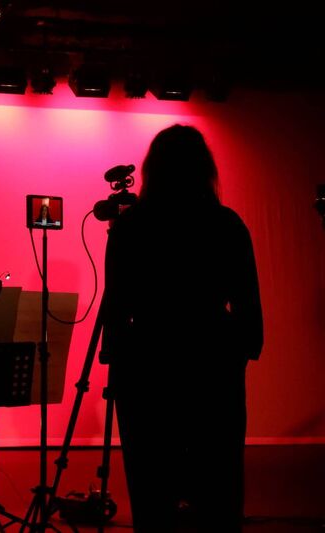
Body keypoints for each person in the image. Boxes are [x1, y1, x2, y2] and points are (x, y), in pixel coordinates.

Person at [102, 125, 263, 532]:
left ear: (153, 169)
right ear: (204, 168)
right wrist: (239, 352)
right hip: (213, 359)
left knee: (151, 486)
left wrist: (118, 363)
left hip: (148, 361)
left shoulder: (131, 226)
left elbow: (117, 306)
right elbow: (247, 303)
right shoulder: (226, 224)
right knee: (219, 484)